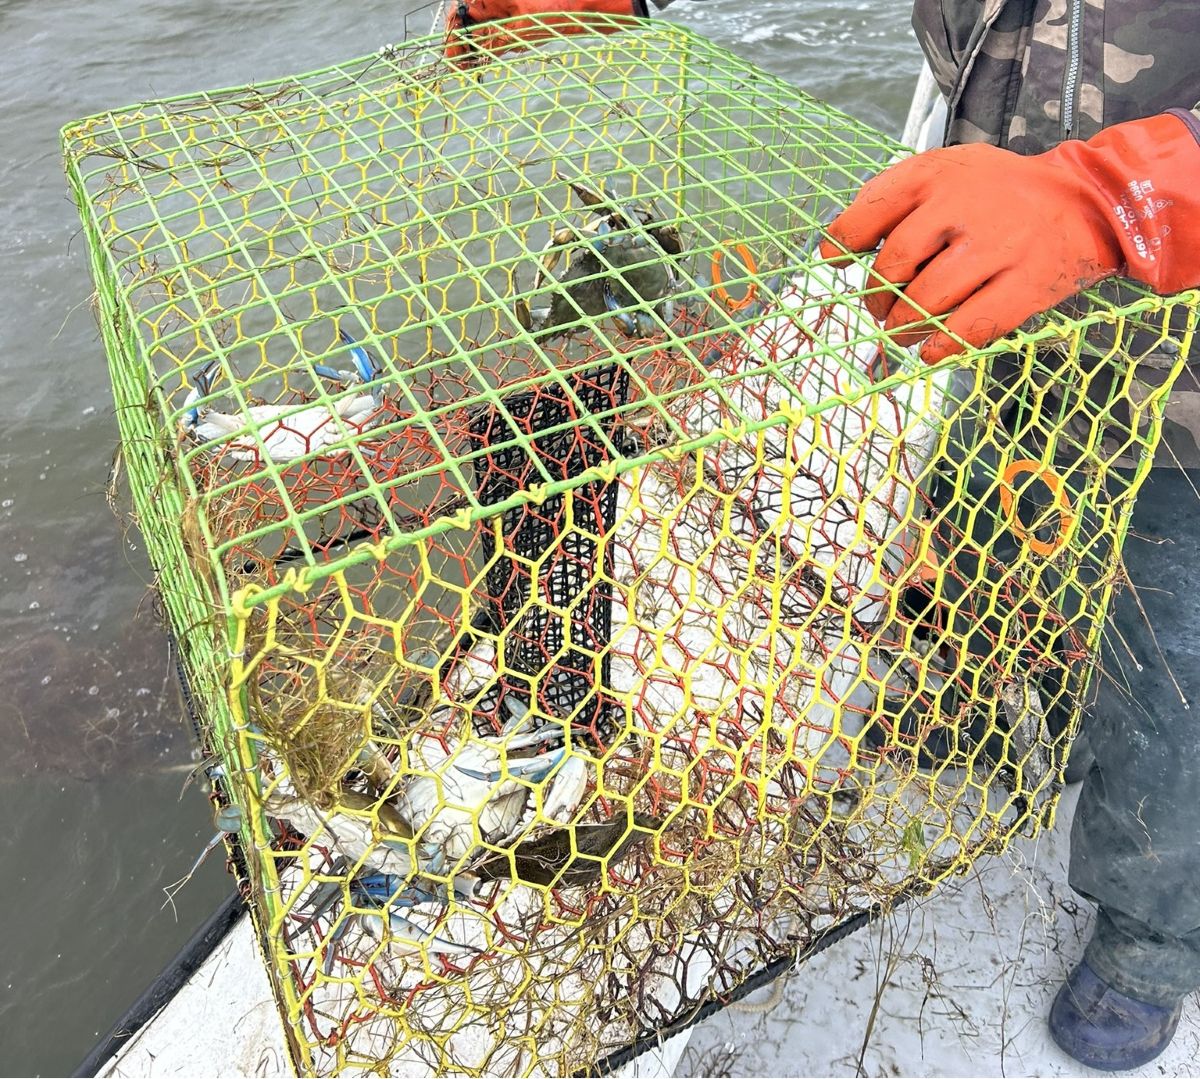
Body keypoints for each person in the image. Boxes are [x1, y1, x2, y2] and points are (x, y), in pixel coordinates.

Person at [445, 2, 1200, 1069]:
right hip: (999, 290)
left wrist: (1118, 199)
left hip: (1188, 376)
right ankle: (1037, 726)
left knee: (1181, 673)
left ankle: (1152, 941)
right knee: (1002, 549)